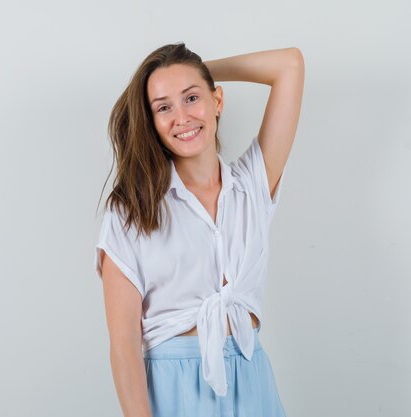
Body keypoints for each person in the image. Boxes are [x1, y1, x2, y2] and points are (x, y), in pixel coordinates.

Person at [93, 43, 304, 417]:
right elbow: (124, 343)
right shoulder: (130, 212)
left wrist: (201, 69)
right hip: (174, 389)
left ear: (217, 100)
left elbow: (289, 65)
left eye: (192, 97)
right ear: (152, 122)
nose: (182, 117)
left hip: (252, 380)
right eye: (163, 107)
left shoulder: (252, 184)